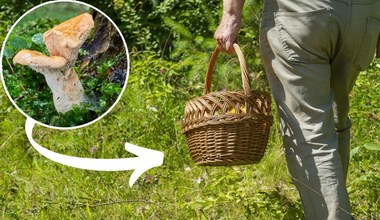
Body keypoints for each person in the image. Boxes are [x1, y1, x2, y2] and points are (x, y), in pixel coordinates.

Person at [214, 0, 380, 219]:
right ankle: (337, 209)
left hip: (302, 13)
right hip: (363, 14)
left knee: (310, 132)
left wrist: (231, 15)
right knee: (335, 119)